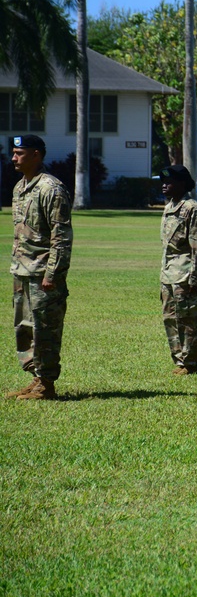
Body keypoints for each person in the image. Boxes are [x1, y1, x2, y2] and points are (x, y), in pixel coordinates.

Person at [5, 135, 72, 401]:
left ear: (36, 155)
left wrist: (52, 274)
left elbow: (61, 236)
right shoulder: (20, 187)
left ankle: (47, 384)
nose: (13, 158)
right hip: (22, 270)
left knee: (45, 329)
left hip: (43, 272)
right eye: (13, 153)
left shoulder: (51, 189)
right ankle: (35, 379)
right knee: (25, 327)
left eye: (19, 153)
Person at [158, 165, 197, 376]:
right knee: (170, 318)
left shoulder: (192, 209)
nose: (164, 185)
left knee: (189, 319)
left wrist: (196, 279)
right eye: (163, 181)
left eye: (169, 182)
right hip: (169, 273)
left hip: (186, 274)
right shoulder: (170, 206)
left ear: (182, 184)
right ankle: (179, 359)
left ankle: (191, 362)